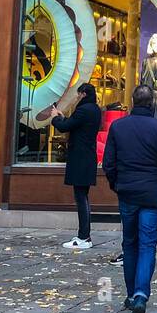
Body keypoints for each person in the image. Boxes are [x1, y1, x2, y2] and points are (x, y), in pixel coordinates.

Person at [102, 84, 157, 313]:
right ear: (151, 103)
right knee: (147, 245)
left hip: (128, 192)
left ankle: (131, 294)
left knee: (130, 243)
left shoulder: (118, 127)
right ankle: (141, 295)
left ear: (133, 102)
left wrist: (117, 185)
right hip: (151, 193)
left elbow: (109, 164)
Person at [51, 83, 101, 251]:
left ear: (84, 94)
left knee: (81, 198)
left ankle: (84, 236)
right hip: (87, 158)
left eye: (78, 94)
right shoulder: (94, 109)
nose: (76, 97)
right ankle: (83, 235)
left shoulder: (84, 110)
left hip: (81, 159)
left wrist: (55, 118)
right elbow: (75, 124)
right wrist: (63, 117)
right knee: (83, 196)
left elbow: (65, 126)